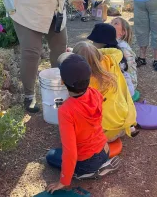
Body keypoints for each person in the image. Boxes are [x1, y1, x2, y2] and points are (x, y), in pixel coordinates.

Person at [46, 53, 120, 194]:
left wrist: (63, 181)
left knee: (51, 156)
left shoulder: (66, 110)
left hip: (87, 161)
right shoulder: (95, 93)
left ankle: (87, 173)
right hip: (104, 149)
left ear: (62, 81)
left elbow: (70, 151)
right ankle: (100, 164)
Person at [73, 39, 137, 142]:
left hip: (105, 135)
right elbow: (118, 51)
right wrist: (97, 52)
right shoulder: (110, 60)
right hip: (123, 121)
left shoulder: (83, 80)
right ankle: (129, 128)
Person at [110, 17, 137, 94]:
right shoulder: (116, 44)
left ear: (123, 32)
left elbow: (126, 69)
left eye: (115, 23)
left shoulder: (122, 47)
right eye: (111, 22)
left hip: (127, 86)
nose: (111, 24)